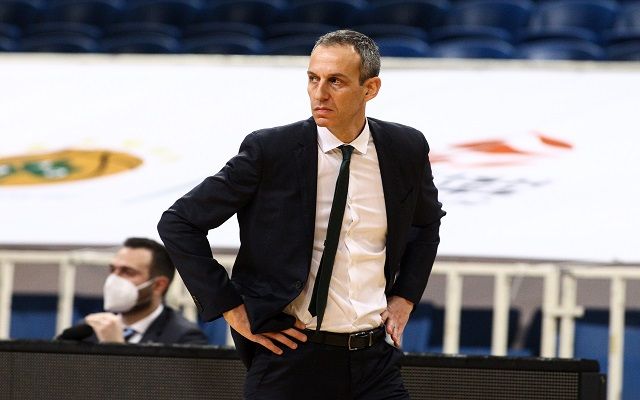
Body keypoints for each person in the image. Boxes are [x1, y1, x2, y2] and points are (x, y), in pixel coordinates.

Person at [158, 30, 445, 399]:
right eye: (313, 78)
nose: (319, 93)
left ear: (370, 88)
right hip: (291, 356)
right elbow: (179, 222)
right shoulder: (271, 150)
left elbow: (426, 223)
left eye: (336, 81)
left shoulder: (405, 147)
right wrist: (230, 307)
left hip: (374, 359)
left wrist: (405, 296)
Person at [58, 237, 208, 345]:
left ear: (158, 285)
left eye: (128, 272)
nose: (114, 279)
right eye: (113, 270)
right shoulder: (89, 330)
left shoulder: (184, 338)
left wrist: (115, 350)